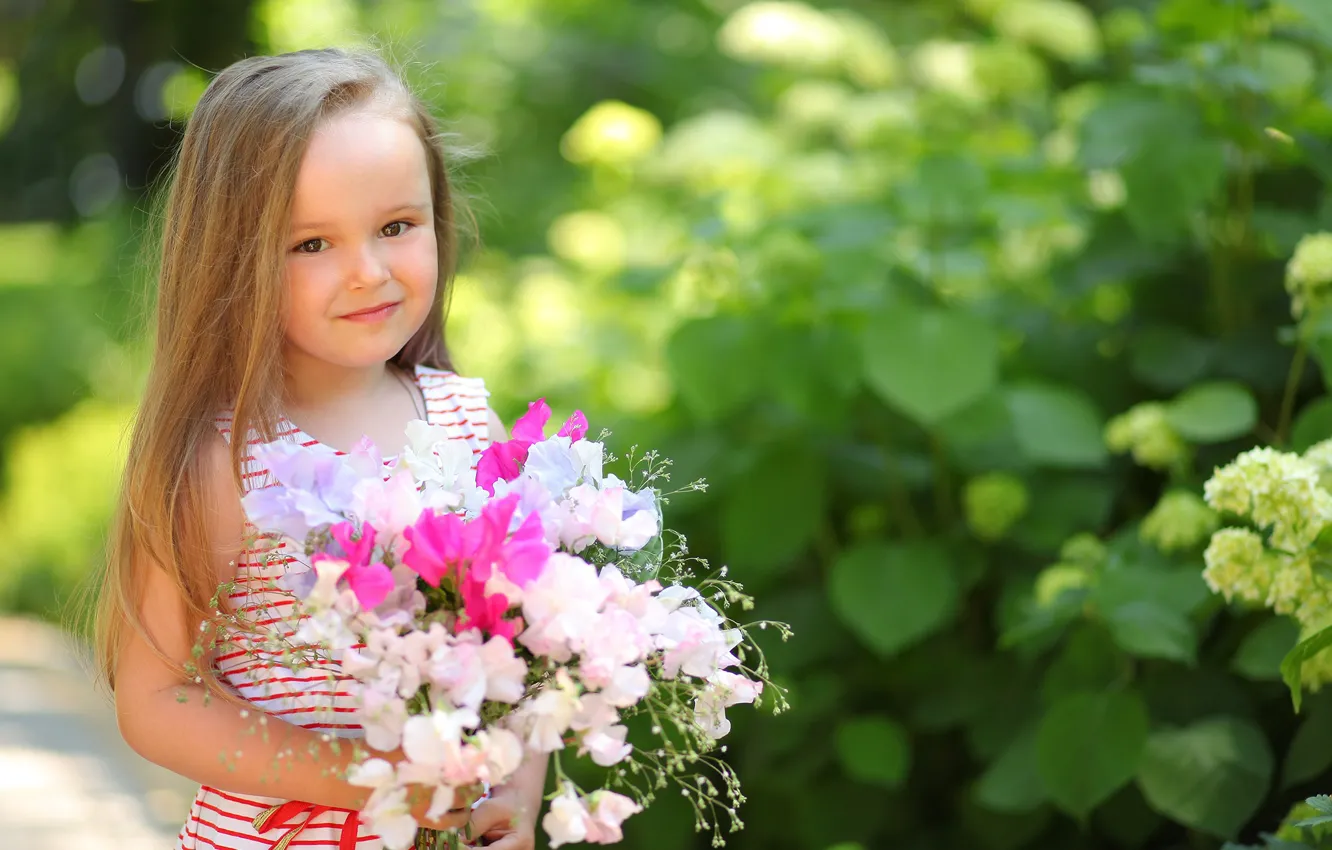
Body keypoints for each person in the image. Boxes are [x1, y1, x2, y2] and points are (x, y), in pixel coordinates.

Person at [93, 48, 547, 850]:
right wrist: (368, 772)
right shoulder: (222, 457)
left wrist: (517, 788)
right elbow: (155, 702)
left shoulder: (467, 422)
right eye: (311, 245)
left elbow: (517, 647)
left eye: (396, 227)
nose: (367, 272)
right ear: (233, 259)